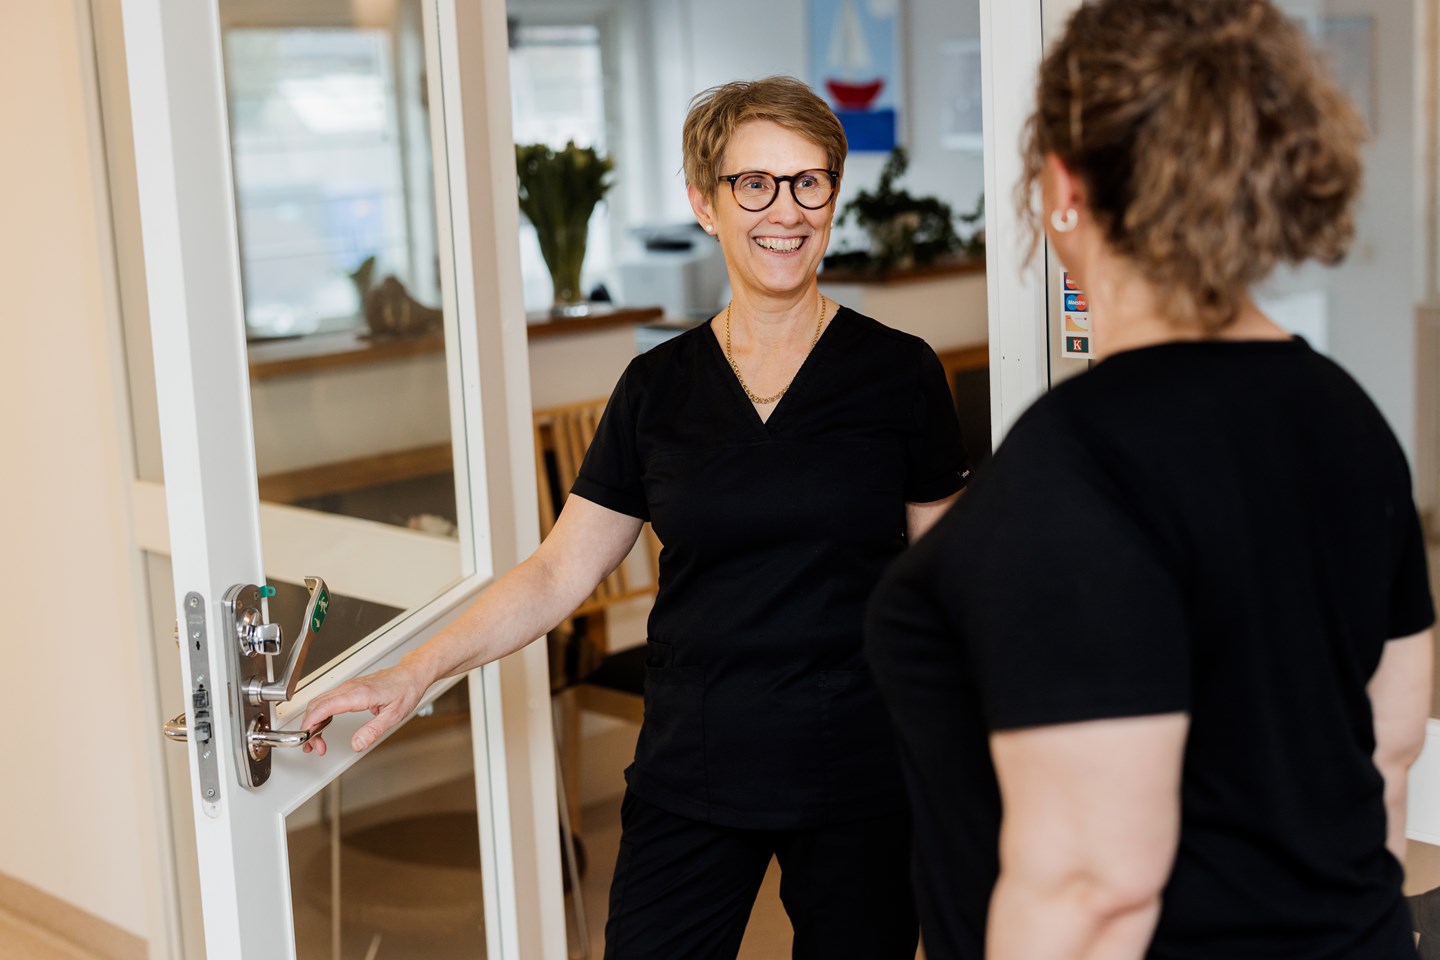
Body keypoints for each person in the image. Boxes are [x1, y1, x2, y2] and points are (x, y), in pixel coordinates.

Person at [303, 75, 969, 959]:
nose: (786, 210)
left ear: (833, 196)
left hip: (860, 770)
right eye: (754, 183)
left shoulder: (901, 374)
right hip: (694, 765)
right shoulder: (658, 389)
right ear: (705, 203)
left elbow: (949, 584)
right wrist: (414, 671)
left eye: (808, 181)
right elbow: (556, 572)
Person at [864, 2, 1435, 958]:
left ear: (1061, 185)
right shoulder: (1348, 418)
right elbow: (1389, 751)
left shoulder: (1076, 467)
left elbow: (1093, 891)